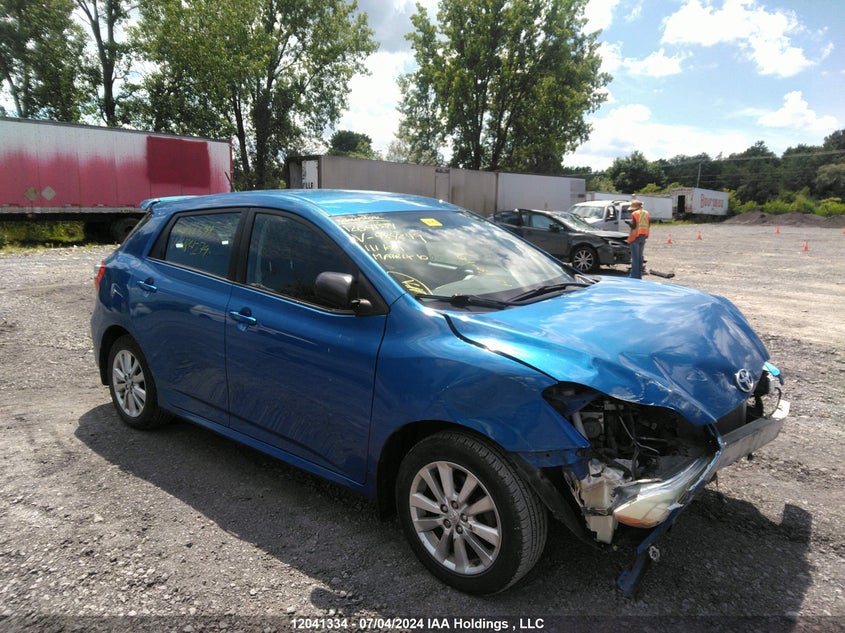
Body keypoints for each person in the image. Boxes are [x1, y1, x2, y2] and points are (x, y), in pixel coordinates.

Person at [626, 199, 650, 279]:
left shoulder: (635, 213)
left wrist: (629, 223)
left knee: (635, 257)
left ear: (635, 207)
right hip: (643, 236)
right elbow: (648, 224)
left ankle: (634, 276)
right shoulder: (646, 213)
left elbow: (634, 226)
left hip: (635, 236)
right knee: (640, 256)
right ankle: (639, 274)